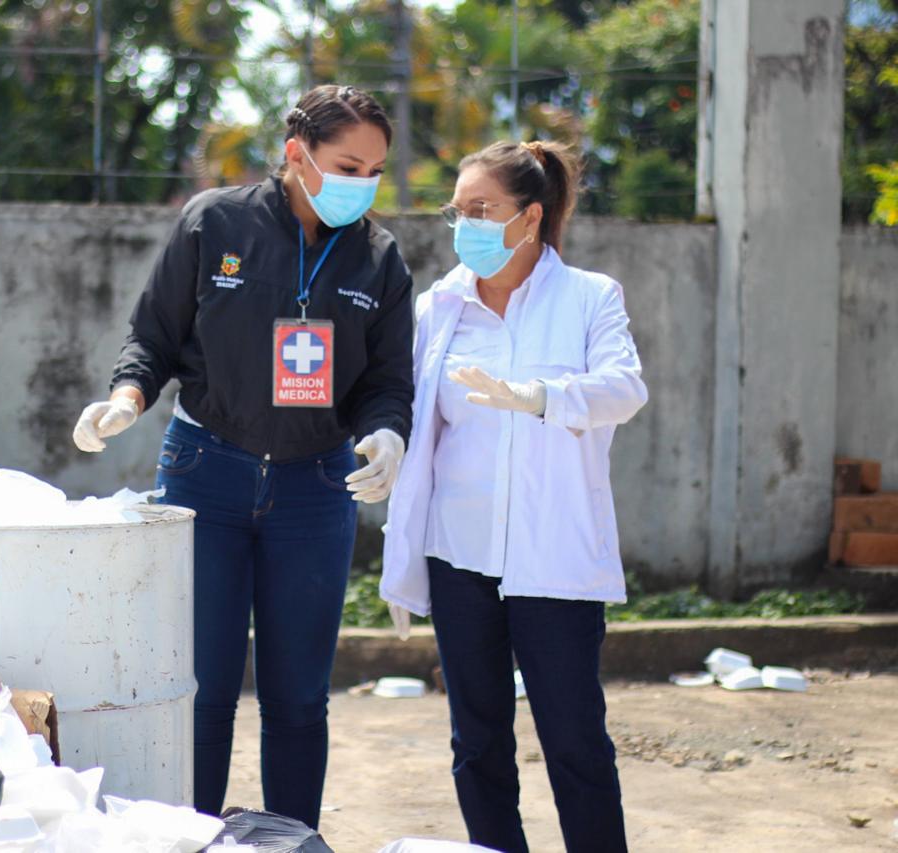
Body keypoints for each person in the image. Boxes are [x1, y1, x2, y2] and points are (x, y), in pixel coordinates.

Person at [71, 84, 415, 829]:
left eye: (376, 171)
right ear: (297, 154)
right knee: (204, 688)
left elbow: (386, 383)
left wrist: (386, 433)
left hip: (316, 487)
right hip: (207, 472)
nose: (363, 184)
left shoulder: (380, 260)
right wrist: (126, 397)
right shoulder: (213, 221)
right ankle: (194, 838)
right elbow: (153, 336)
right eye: (347, 164)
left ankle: (294, 842)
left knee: (297, 697)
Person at [381, 140, 648, 853]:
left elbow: (625, 387)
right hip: (458, 552)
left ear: (529, 218)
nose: (464, 224)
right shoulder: (441, 305)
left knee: (575, 742)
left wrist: (539, 396)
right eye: (457, 210)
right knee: (478, 742)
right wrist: (384, 451)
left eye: (481, 210)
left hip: (552, 556)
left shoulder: (590, 296)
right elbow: (410, 414)